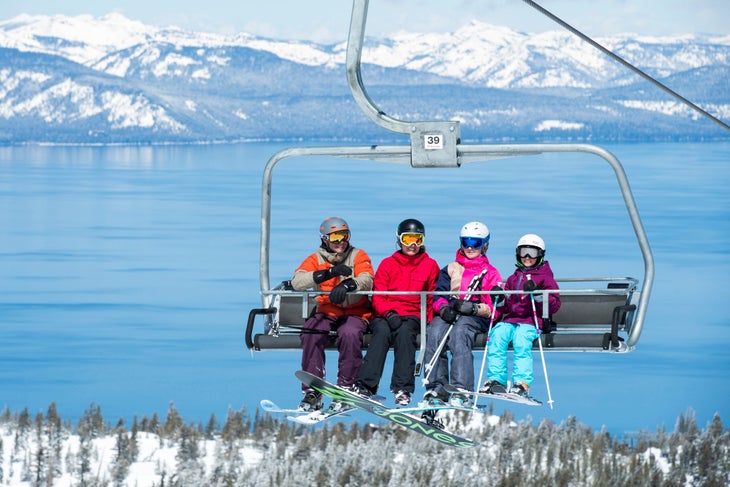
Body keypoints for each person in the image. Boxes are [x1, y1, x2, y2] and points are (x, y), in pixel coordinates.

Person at [290, 217, 374, 411]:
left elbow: (367, 278)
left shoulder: (358, 255)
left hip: (355, 311)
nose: (341, 241)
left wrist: (349, 284)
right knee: (312, 332)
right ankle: (314, 391)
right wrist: (327, 274)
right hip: (327, 310)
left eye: (344, 236)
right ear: (324, 239)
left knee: (350, 334)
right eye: (335, 237)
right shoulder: (315, 259)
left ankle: (346, 387)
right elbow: (297, 281)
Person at [353, 219, 440, 406]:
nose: (413, 244)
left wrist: (430, 322)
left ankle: (402, 388)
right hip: (387, 313)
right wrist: (388, 313)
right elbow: (377, 296)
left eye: (417, 239)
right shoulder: (388, 264)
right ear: (400, 240)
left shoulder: (430, 265)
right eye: (408, 239)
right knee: (382, 332)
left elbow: (432, 297)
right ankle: (366, 386)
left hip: (412, 315)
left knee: (405, 334)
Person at [422, 221, 502, 407]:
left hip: (474, 317)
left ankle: (461, 389)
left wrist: (474, 309)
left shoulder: (489, 273)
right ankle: (436, 387)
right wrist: (443, 309)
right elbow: (438, 294)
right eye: (466, 242)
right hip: (452, 311)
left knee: (460, 332)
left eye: (475, 243)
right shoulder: (451, 268)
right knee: (434, 330)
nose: (470, 247)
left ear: (484, 245)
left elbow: (495, 308)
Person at [480, 234, 561, 398]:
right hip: (511, 320)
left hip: (532, 322)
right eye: (524, 252)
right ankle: (496, 380)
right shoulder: (513, 278)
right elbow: (506, 307)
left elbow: (554, 304)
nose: (527, 257)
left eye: (532, 253)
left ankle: (521, 382)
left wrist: (538, 294)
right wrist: (500, 299)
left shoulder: (545, 278)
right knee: (497, 333)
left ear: (540, 255)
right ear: (518, 253)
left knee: (521, 338)